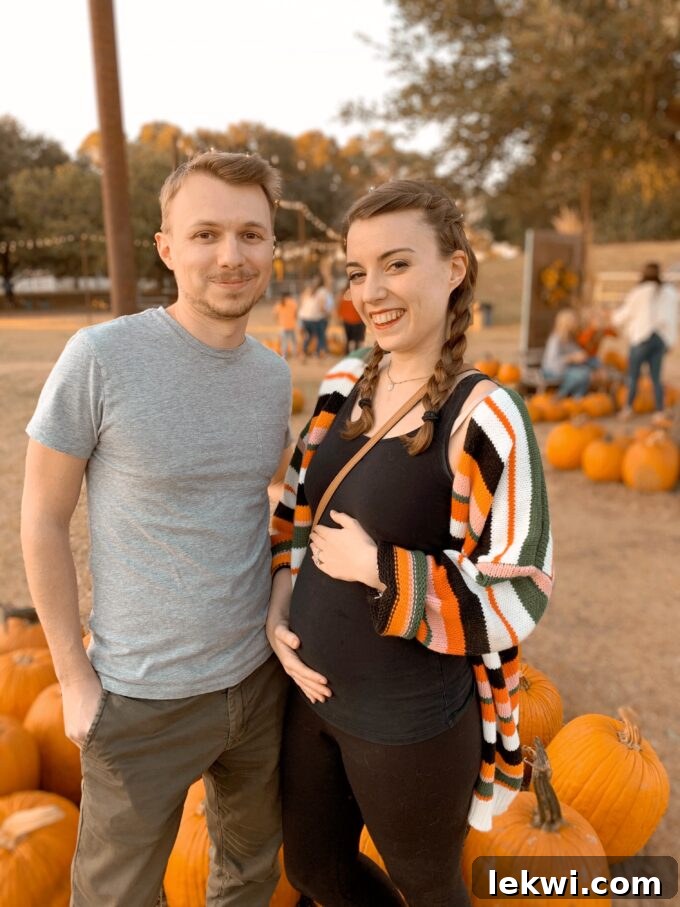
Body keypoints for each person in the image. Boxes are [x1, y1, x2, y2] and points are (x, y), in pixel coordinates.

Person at [266, 180, 553, 906]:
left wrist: (380, 568)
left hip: (408, 718)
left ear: (454, 268)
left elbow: (521, 586)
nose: (372, 290)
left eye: (396, 264)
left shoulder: (485, 417)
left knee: (428, 887)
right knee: (311, 870)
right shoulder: (342, 384)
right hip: (311, 696)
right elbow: (297, 505)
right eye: (358, 271)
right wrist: (278, 605)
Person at [21, 151, 292, 907]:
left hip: (255, 684)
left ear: (273, 248)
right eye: (205, 234)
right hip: (140, 696)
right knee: (118, 897)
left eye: (251, 234)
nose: (231, 256)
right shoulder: (101, 357)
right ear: (167, 247)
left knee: (249, 875)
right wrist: (73, 678)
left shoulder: (272, 377)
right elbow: (41, 518)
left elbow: (258, 498)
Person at [611, 262, 679, 418]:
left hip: (642, 337)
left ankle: (628, 408)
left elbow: (624, 314)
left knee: (633, 375)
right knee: (656, 377)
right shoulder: (669, 292)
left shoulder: (639, 292)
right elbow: (673, 316)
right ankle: (659, 410)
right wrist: (671, 339)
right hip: (660, 338)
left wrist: (612, 317)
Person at [541, 307, 599, 398]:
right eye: (573, 322)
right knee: (582, 374)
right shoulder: (555, 339)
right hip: (553, 370)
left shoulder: (570, 338)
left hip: (567, 369)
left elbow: (576, 351)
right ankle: (560, 396)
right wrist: (571, 358)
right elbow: (552, 362)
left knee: (592, 364)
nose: (576, 324)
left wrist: (582, 355)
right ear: (566, 323)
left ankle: (577, 398)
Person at [298, 274, 327, 359]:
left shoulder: (306, 292)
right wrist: (326, 313)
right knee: (320, 336)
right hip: (314, 318)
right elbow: (322, 307)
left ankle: (303, 353)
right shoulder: (321, 292)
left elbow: (301, 303)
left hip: (303, 317)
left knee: (308, 336)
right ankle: (320, 353)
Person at [337, 281, 367, 353]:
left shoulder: (343, 294)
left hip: (347, 320)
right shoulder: (359, 292)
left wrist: (339, 316)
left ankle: (347, 354)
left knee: (348, 339)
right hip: (358, 319)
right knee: (358, 340)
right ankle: (356, 354)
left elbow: (339, 306)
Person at [273, 289, 299, 359]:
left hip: (282, 326)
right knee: (294, 341)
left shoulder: (279, 303)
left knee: (284, 342)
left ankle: (284, 356)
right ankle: (295, 354)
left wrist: (278, 321)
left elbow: (275, 315)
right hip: (292, 325)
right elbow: (296, 314)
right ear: (289, 295)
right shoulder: (293, 302)